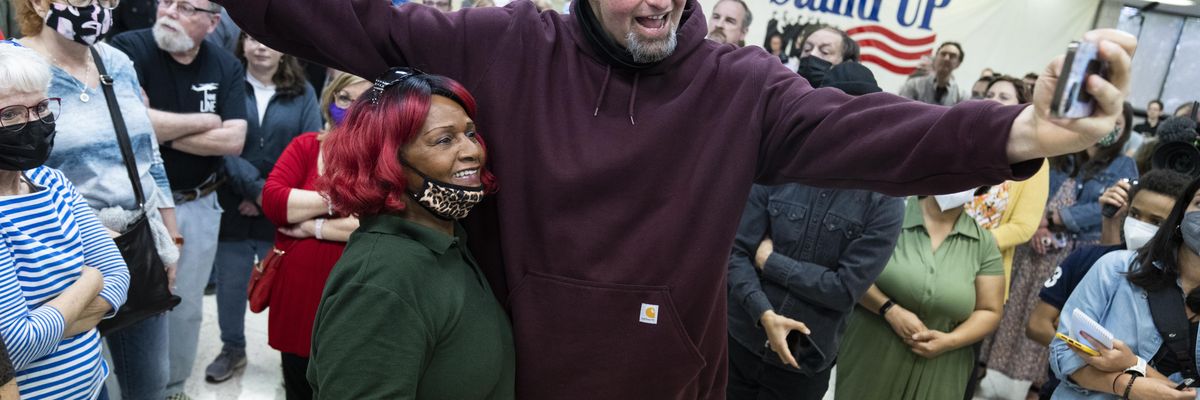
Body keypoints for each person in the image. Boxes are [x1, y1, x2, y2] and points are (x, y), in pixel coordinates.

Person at [219, 0, 1136, 397]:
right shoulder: (506, 46)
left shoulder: (743, 86)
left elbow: (874, 131)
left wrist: (1015, 137)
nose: (655, 9)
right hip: (515, 384)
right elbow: (354, 22)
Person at [12, 0, 184, 396]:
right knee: (76, 379)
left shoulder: (118, 61)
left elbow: (148, 153)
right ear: (39, 4)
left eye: (108, 0)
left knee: (149, 383)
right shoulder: (16, 68)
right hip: (55, 256)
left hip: (136, 241)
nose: (98, 7)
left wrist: (170, 237)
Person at [307, 68, 512, 398]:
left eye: (470, 134)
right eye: (444, 140)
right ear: (387, 160)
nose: (473, 151)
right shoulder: (381, 282)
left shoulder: (446, 241)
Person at [726, 64, 903, 400]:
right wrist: (763, 312)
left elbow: (844, 289)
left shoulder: (885, 199)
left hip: (804, 361)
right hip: (738, 340)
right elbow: (735, 252)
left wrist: (770, 261)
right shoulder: (776, 166)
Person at [109, 0, 248, 397]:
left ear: (212, 22)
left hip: (199, 203)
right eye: (166, 2)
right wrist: (208, 121)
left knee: (185, 307)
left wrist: (156, 126)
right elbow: (127, 121)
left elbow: (235, 140)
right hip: (136, 208)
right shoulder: (127, 50)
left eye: (185, 6)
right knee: (125, 304)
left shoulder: (225, 65)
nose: (169, 11)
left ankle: (173, 388)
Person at [0, 40, 131, 399]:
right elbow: (12, 348)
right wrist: (90, 280)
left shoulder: (52, 182)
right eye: (10, 114)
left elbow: (120, 277)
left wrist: (50, 320)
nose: (33, 122)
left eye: (41, 107)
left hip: (93, 385)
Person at [981, 101, 1138, 397]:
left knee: (1053, 319)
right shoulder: (1062, 152)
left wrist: (1057, 219)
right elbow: (1035, 187)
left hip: (1075, 252)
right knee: (1018, 312)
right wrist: (1038, 223)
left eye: (1120, 125)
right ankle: (992, 372)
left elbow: (1106, 208)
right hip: (1034, 249)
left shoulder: (1123, 165)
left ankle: (1037, 384)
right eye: (1109, 122)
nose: (1113, 130)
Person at [204, 32, 321, 384]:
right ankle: (232, 349)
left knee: (290, 290)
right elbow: (221, 145)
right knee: (231, 284)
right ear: (242, 45)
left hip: (285, 211)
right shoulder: (228, 85)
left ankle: (294, 362)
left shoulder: (303, 93)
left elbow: (308, 146)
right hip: (234, 202)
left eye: (268, 40)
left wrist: (271, 197)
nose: (260, 46)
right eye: (251, 39)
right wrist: (257, 192)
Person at [1025, 169, 1189, 399]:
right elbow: (1040, 327)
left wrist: (1131, 366)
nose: (1140, 226)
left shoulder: (1183, 285)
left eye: (1156, 221)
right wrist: (1091, 355)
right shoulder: (1096, 261)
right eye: (1135, 214)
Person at [836, 193, 1005, 399]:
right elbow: (850, 272)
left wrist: (949, 341)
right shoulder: (889, 214)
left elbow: (990, 310)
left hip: (943, 369)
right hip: (872, 352)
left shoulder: (983, 243)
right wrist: (888, 309)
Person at [260, 72, 365, 400]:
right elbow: (275, 203)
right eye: (343, 98)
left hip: (353, 298)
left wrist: (311, 226)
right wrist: (339, 200)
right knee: (297, 383)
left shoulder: (383, 158)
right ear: (330, 98)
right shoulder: (305, 146)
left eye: (361, 102)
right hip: (298, 297)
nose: (348, 108)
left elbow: (371, 224)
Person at [899, 41, 965, 106]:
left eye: (952, 56)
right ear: (935, 58)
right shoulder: (913, 85)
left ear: (958, 64)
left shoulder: (961, 96)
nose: (946, 58)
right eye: (943, 54)